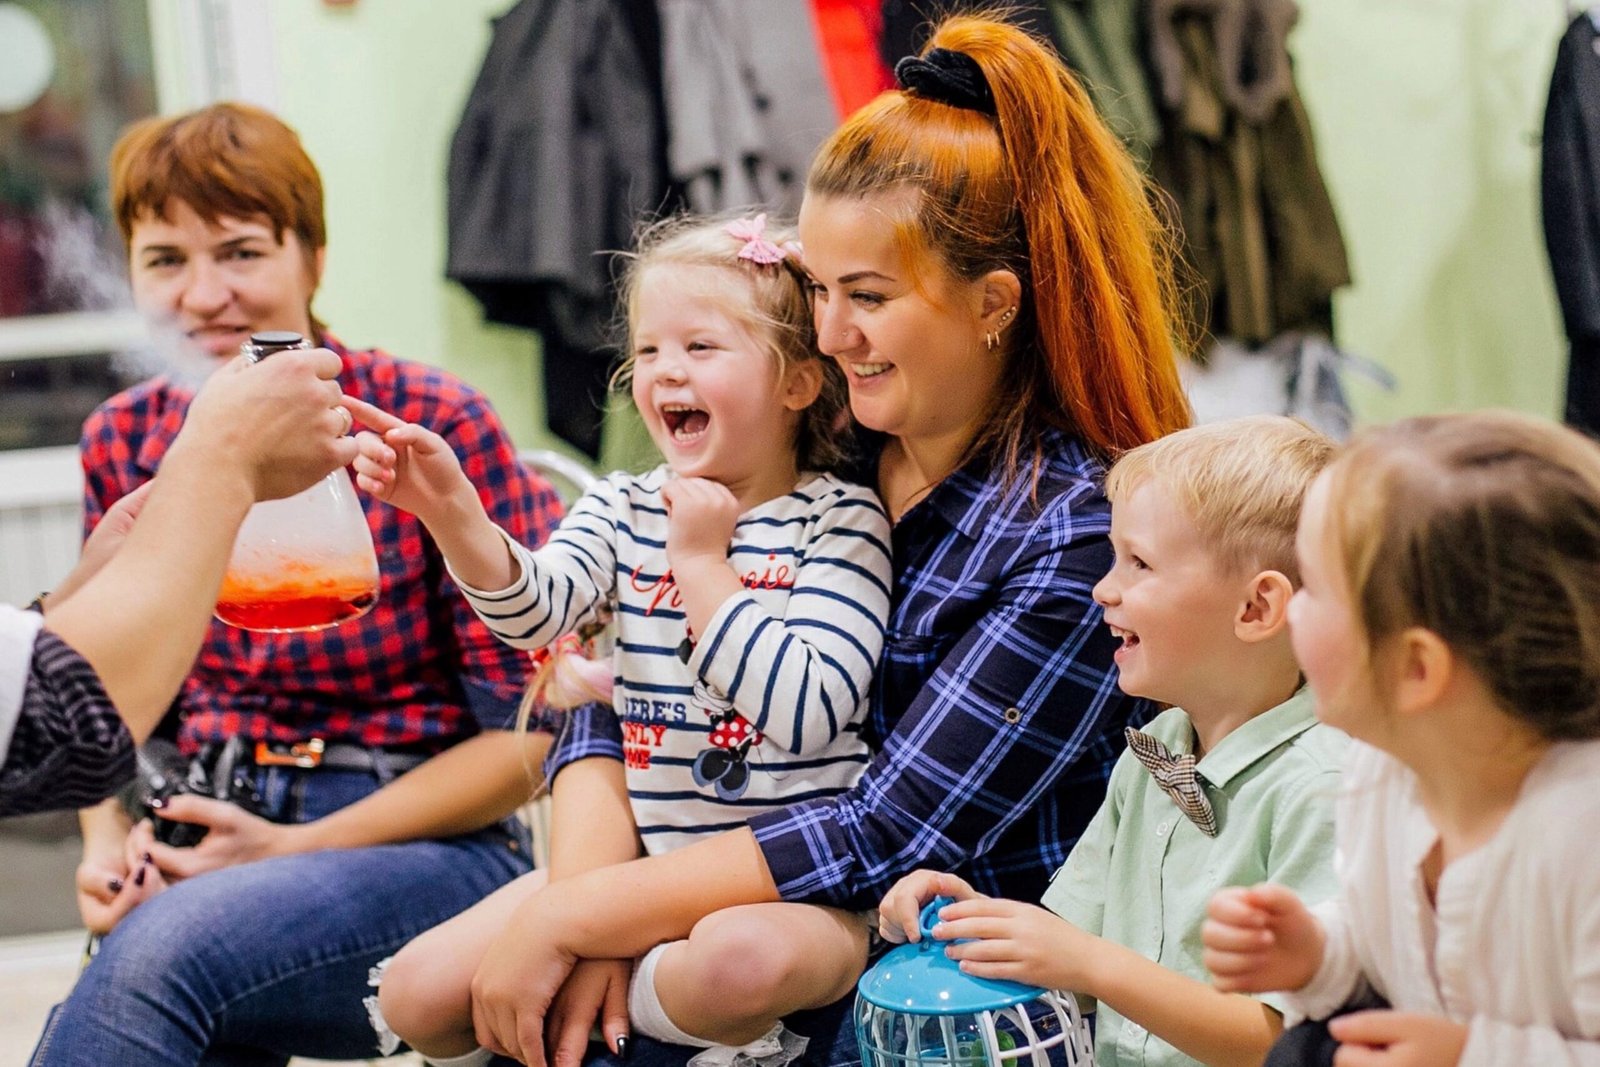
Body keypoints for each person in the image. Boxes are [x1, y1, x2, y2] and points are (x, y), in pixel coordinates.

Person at [450, 14, 1194, 1066]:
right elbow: (629, 675)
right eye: (819, 292)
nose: (831, 334)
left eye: (870, 298)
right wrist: (585, 897)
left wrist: (580, 920)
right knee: (451, 996)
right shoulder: (819, 441)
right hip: (697, 894)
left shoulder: (1068, 532)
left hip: (937, 994)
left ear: (993, 306)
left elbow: (880, 830)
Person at [29, 102, 563, 1066]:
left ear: (313, 259)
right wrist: (109, 843)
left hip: (423, 848)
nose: (203, 296)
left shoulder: (424, 422)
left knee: (158, 962)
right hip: (199, 823)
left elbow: (530, 739)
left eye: (240, 252)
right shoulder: (125, 437)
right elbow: (99, 690)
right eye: (164, 261)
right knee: (156, 975)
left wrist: (281, 850)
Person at [349, 212, 892, 1067]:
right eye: (648, 351)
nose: (666, 369)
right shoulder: (621, 506)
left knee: (741, 963)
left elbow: (808, 710)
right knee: (419, 992)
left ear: (796, 383)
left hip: (799, 890)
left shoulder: (843, 520)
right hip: (641, 871)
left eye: (702, 347)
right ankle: (608, 986)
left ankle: (601, 991)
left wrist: (702, 561)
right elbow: (538, 613)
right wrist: (451, 513)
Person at [879, 415, 1349, 1067]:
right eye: (1113, 556)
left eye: (1140, 562)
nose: (1104, 586)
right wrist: (974, 922)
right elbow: (1069, 951)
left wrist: (1094, 964)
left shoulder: (1324, 787)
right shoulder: (1150, 755)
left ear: (1255, 609)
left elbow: (1285, 1042)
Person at [1203, 411, 1600, 1067]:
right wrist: (1316, 952)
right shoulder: (1382, 769)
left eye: (1315, 586)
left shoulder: (1580, 834)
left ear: (1415, 669)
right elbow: (1380, 933)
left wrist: (1473, 1056)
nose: (1291, 606)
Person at [0, 348, 357, 817]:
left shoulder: (426, 407)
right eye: (167, 267)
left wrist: (73, 594)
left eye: (243, 266)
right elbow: (64, 725)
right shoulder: (122, 428)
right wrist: (223, 456)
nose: (207, 296)